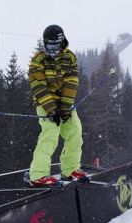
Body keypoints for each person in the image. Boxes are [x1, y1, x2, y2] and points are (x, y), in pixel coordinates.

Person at [27, 24, 89, 187]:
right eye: (49, 46)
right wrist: (51, 109)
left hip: (64, 102)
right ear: (45, 43)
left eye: (55, 46)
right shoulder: (38, 59)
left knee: (75, 132)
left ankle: (70, 169)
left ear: (62, 43)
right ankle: (38, 175)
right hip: (45, 102)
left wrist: (65, 108)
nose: (52, 50)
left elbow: (71, 83)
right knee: (51, 134)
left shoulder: (70, 57)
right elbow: (38, 85)